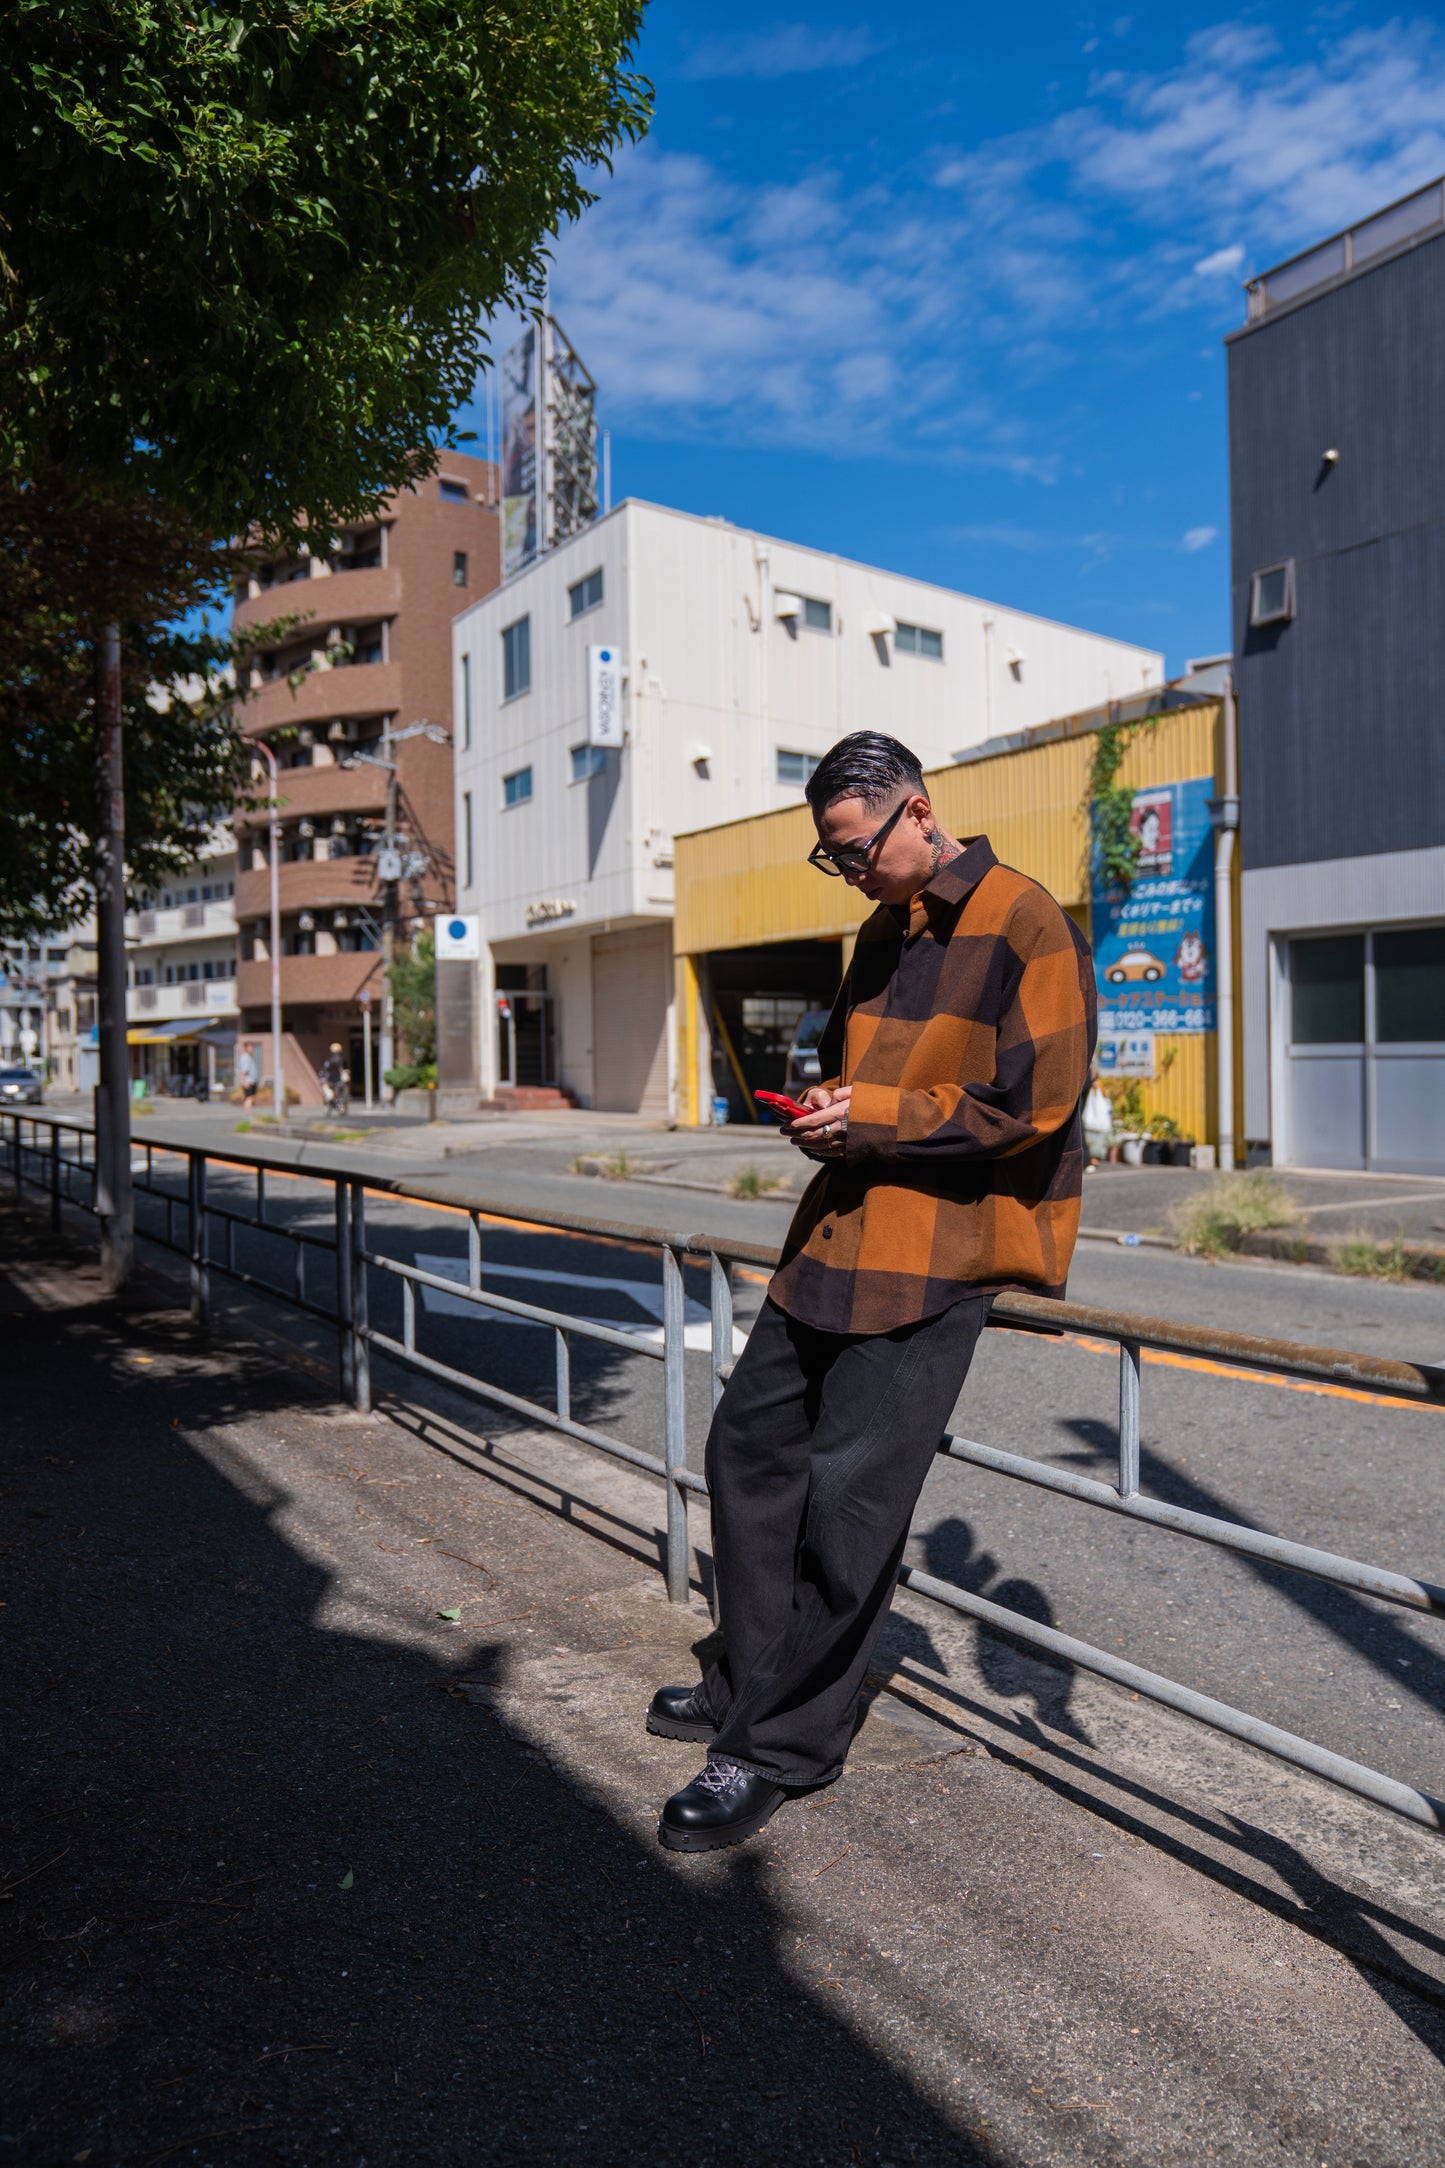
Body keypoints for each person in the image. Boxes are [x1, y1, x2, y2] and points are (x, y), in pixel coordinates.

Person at [649, 732, 1096, 1852]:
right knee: (745, 1454)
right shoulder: (878, 928)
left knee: (851, 1509)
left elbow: (1036, 1098)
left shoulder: (1023, 916)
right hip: (837, 1239)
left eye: (853, 849)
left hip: (939, 1252)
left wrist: (881, 1117)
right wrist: (826, 1113)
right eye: (830, 858)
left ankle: (777, 1745)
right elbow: (874, 1083)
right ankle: (749, 1682)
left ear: (917, 811)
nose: (846, 870)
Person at [319, 1042, 349, 1114]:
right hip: (339, 1079)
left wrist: (323, 1076)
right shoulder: (342, 1059)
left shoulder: (329, 1059)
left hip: (330, 1079)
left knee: (329, 1092)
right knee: (341, 1093)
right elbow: (346, 1069)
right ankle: (340, 1106)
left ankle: (329, 1103)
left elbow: (325, 1069)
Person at [237, 1040, 259, 1116]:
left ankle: (248, 1114)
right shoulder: (245, 1057)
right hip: (249, 1081)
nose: (252, 1048)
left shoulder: (248, 1057)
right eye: (250, 1047)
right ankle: (247, 1115)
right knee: (248, 1098)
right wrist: (245, 1082)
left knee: (250, 1098)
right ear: (246, 1048)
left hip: (251, 1081)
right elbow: (244, 1071)